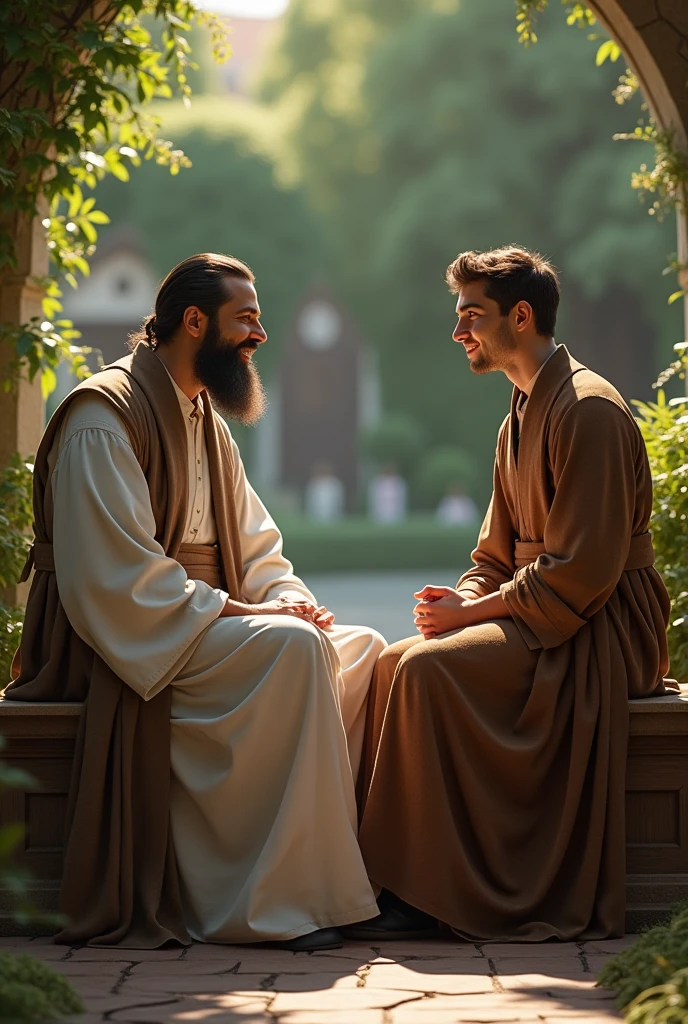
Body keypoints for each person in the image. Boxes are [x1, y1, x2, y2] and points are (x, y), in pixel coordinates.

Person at [5, 253, 385, 951]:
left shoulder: (206, 418)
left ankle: (341, 885)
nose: (261, 334)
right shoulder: (101, 416)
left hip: (198, 621)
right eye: (247, 319)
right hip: (129, 638)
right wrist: (255, 617)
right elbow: (114, 580)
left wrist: (292, 602)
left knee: (358, 650)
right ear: (193, 321)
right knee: (295, 650)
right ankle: (272, 905)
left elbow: (259, 548)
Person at [350, 246, 677, 943]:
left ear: (520, 316)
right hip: (542, 608)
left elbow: (582, 572)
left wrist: (473, 614)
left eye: (471, 316)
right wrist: (457, 599)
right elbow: (494, 554)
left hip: (599, 622)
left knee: (423, 672)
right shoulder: (520, 412)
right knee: (389, 661)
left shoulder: (588, 411)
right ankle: (405, 876)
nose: (458, 332)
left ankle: (425, 891)